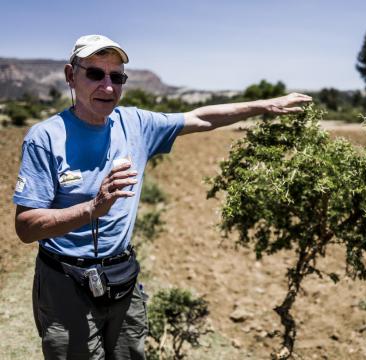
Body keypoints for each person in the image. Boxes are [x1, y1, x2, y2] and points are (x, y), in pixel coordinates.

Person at [13, 34, 312, 359]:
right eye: (96, 74)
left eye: (117, 77)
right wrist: (93, 207)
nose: (108, 86)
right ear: (72, 75)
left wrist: (262, 106)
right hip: (64, 285)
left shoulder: (136, 123)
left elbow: (201, 118)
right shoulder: (45, 138)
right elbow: (26, 227)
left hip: (121, 280)